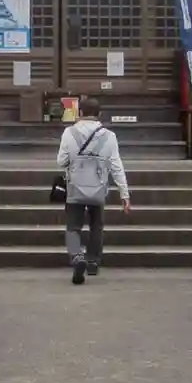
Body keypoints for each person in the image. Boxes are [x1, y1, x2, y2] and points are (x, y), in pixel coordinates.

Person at [55, 97, 131, 284]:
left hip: (75, 188)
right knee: (97, 226)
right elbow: (116, 167)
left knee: (73, 227)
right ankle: (92, 262)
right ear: (99, 114)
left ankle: (76, 257)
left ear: (80, 113)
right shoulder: (109, 136)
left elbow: (61, 161)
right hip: (98, 188)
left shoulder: (69, 132)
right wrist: (124, 194)